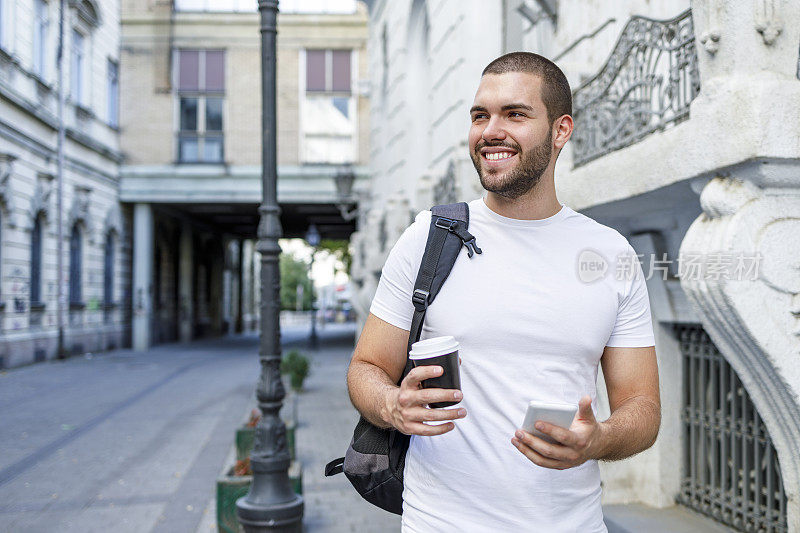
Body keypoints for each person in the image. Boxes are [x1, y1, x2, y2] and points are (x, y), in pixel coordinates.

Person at [346, 52, 661, 532]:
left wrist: (597, 440)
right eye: (480, 115)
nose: (491, 130)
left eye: (515, 114)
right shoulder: (429, 237)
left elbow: (643, 408)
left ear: (560, 131)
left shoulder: (610, 255)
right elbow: (366, 369)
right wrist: (392, 405)